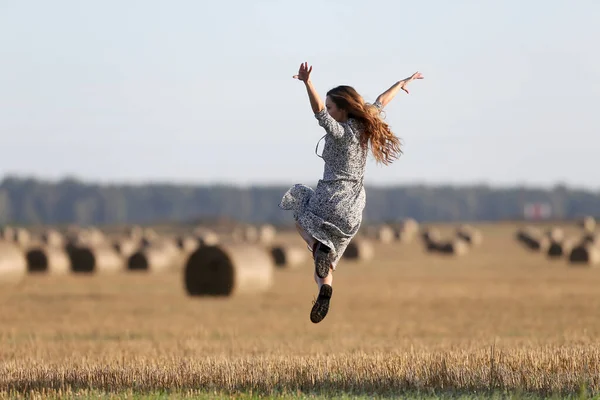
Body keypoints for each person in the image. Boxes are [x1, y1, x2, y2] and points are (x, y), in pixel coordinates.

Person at [279, 62, 423, 323]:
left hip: (329, 198)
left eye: (333, 107)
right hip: (353, 209)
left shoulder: (341, 132)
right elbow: (381, 101)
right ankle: (325, 286)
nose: (329, 111)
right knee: (328, 262)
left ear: (343, 109)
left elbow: (319, 112)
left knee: (299, 206)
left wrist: (307, 83)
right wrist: (401, 84)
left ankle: (315, 245)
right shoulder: (365, 126)